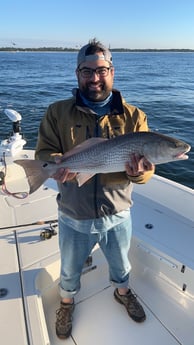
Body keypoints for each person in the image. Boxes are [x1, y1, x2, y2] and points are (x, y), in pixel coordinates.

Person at [35, 38, 155, 339]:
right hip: (73, 212)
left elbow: (145, 173)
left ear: (112, 71)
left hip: (117, 212)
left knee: (121, 262)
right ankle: (66, 301)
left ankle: (122, 292)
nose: (95, 78)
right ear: (77, 74)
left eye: (101, 70)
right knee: (70, 267)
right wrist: (54, 165)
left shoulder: (134, 116)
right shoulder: (57, 112)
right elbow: (44, 152)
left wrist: (139, 174)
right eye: (87, 71)